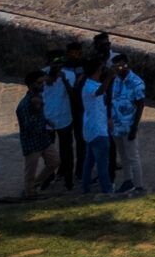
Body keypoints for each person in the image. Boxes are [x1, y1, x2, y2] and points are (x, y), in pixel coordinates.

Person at [40, 53, 80, 192]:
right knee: (47, 153)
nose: (56, 66)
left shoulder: (69, 75)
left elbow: (73, 95)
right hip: (47, 120)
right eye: (54, 63)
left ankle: (68, 179)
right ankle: (48, 177)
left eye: (59, 64)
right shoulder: (41, 75)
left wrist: (64, 81)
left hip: (64, 119)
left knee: (66, 152)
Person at [109, 55, 147, 197]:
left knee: (133, 157)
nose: (117, 69)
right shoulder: (117, 80)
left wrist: (134, 127)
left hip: (129, 125)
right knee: (123, 156)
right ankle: (127, 181)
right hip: (117, 125)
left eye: (119, 66)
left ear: (126, 64)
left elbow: (140, 105)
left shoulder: (137, 83)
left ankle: (139, 185)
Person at [15, 67, 53, 199]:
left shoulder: (38, 97)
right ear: (31, 85)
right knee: (30, 171)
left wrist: (46, 121)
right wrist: (37, 110)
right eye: (39, 83)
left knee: (54, 161)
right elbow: (28, 126)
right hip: (31, 142)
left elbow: (39, 117)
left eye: (42, 82)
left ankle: (33, 186)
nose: (42, 85)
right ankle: (29, 193)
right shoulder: (24, 105)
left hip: (43, 139)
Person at [77, 65, 113, 194]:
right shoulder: (90, 87)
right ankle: (107, 190)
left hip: (91, 129)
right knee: (102, 164)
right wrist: (110, 77)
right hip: (98, 130)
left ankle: (86, 188)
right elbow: (99, 91)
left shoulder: (88, 84)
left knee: (89, 162)